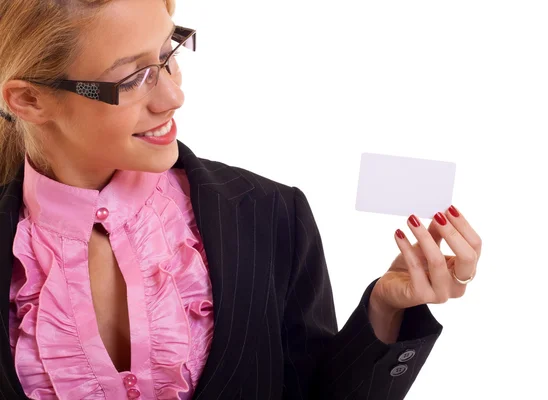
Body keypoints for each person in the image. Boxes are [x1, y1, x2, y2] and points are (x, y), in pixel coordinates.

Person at [0, 0, 482, 399]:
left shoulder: (270, 216)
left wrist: (385, 310)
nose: (172, 97)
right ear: (29, 101)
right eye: (131, 79)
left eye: (169, 54)